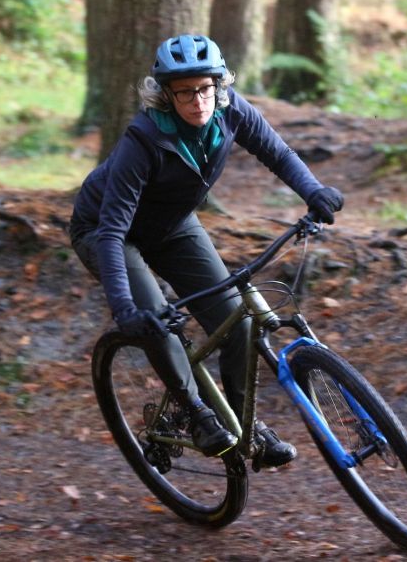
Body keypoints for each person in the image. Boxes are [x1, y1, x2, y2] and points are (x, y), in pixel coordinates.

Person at [69, 34, 343, 465]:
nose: (198, 101)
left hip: (174, 225)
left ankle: (244, 426)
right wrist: (125, 309)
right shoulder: (143, 139)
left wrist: (313, 191)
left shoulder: (231, 110)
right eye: (184, 92)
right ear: (166, 95)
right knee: (157, 321)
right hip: (108, 232)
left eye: (204, 88)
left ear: (219, 85)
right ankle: (196, 412)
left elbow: (277, 153)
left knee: (239, 323)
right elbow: (111, 231)